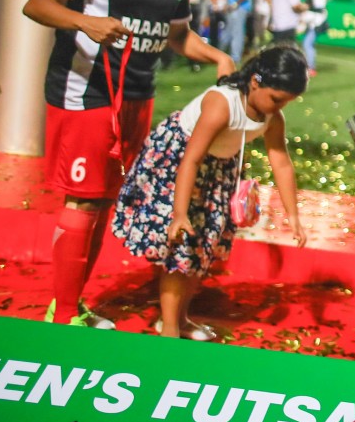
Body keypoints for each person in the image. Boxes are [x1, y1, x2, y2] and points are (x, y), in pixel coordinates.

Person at [22, 0, 235, 330]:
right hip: (86, 92)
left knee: (101, 201)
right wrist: (86, 21)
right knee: (82, 201)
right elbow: (37, 4)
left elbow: (177, 37)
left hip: (137, 97)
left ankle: (74, 304)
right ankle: (61, 315)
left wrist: (217, 55)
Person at [113, 46, 308, 339]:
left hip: (217, 169)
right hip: (178, 165)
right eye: (276, 98)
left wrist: (293, 215)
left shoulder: (272, 117)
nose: (278, 107)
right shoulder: (222, 104)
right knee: (179, 252)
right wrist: (179, 214)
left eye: (286, 102)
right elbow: (190, 159)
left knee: (203, 249)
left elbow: (281, 161)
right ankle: (168, 329)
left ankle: (180, 319)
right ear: (255, 81)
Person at [299, 0, 327, 71]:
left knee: (307, 44)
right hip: (312, 23)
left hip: (316, 23)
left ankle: (311, 67)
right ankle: (309, 65)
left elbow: (318, 9)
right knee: (308, 44)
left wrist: (305, 9)